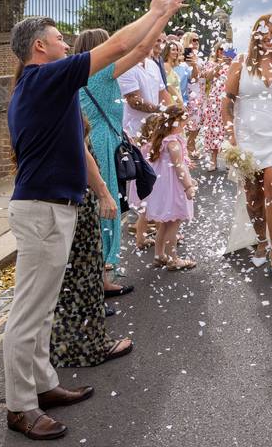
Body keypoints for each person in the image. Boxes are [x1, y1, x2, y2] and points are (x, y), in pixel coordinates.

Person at [5, 0, 185, 440]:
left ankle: (44, 385)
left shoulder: (50, 88)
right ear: (39, 47)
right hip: (42, 209)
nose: (67, 45)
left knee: (44, 308)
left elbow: (77, 147)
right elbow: (122, 45)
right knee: (28, 313)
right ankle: (19, 406)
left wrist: (101, 188)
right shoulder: (43, 79)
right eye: (60, 39)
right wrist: (155, 12)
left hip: (54, 207)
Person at [72, 21, 173, 296]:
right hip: (104, 143)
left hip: (92, 141)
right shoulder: (103, 72)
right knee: (109, 208)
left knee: (99, 208)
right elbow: (140, 51)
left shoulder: (77, 74)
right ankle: (106, 274)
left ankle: (100, 270)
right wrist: (160, 17)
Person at [222, 14, 272, 279]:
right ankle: (261, 240)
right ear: (255, 34)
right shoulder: (240, 63)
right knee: (254, 197)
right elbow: (227, 101)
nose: (268, 39)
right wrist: (230, 132)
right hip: (247, 139)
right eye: (263, 34)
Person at [49, 121, 133, 367]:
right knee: (83, 274)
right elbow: (79, 148)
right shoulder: (60, 96)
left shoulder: (30, 93)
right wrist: (104, 192)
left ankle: (62, 346)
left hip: (58, 193)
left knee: (69, 277)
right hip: (75, 196)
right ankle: (90, 346)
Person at [119, 36, 170, 250]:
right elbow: (134, 100)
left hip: (155, 130)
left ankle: (154, 224)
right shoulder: (127, 66)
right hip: (134, 131)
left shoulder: (152, 65)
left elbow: (162, 93)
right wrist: (162, 111)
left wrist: (174, 112)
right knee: (138, 178)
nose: (157, 44)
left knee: (155, 176)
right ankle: (137, 223)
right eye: (154, 39)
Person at [139, 105, 198, 270]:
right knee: (173, 224)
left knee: (165, 224)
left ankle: (159, 255)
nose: (185, 125)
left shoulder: (162, 140)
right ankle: (173, 259)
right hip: (174, 188)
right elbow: (179, 167)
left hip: (164, 187)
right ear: (174, 122)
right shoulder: (173, 142)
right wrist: (188, 186)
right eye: (182, 122)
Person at [201, 44, 233, 171]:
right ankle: (213, 160)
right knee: (215, 130)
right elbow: (208, 77)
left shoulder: (234, 64)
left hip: (230, 100)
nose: (223, 52)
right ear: (216, 51)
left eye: (226, 50)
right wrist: (219, 65)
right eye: (221, 49)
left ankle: (229, 160)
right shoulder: (212, 64)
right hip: (215, 100)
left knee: (228, 130)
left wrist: (231, 64)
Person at [176, 32, 203, 157]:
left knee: (196, 121)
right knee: (183, 122)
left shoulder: (200, 59)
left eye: (197, 40)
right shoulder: (179, 59)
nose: (196, 42)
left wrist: (195, 65)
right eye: (193, 40)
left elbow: (196, 78)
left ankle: (190, 144)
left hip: (197, 92)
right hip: (184, 93)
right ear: (187, 42)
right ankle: (183, 146)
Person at [163, 40, 185, 108]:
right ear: (167, 52)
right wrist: (180, 102)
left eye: (177, 50)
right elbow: (168, 86)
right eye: (173, 50)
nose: (176, 52)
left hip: (177, 103)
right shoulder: (165, 65)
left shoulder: (172, 67)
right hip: (171, 104)